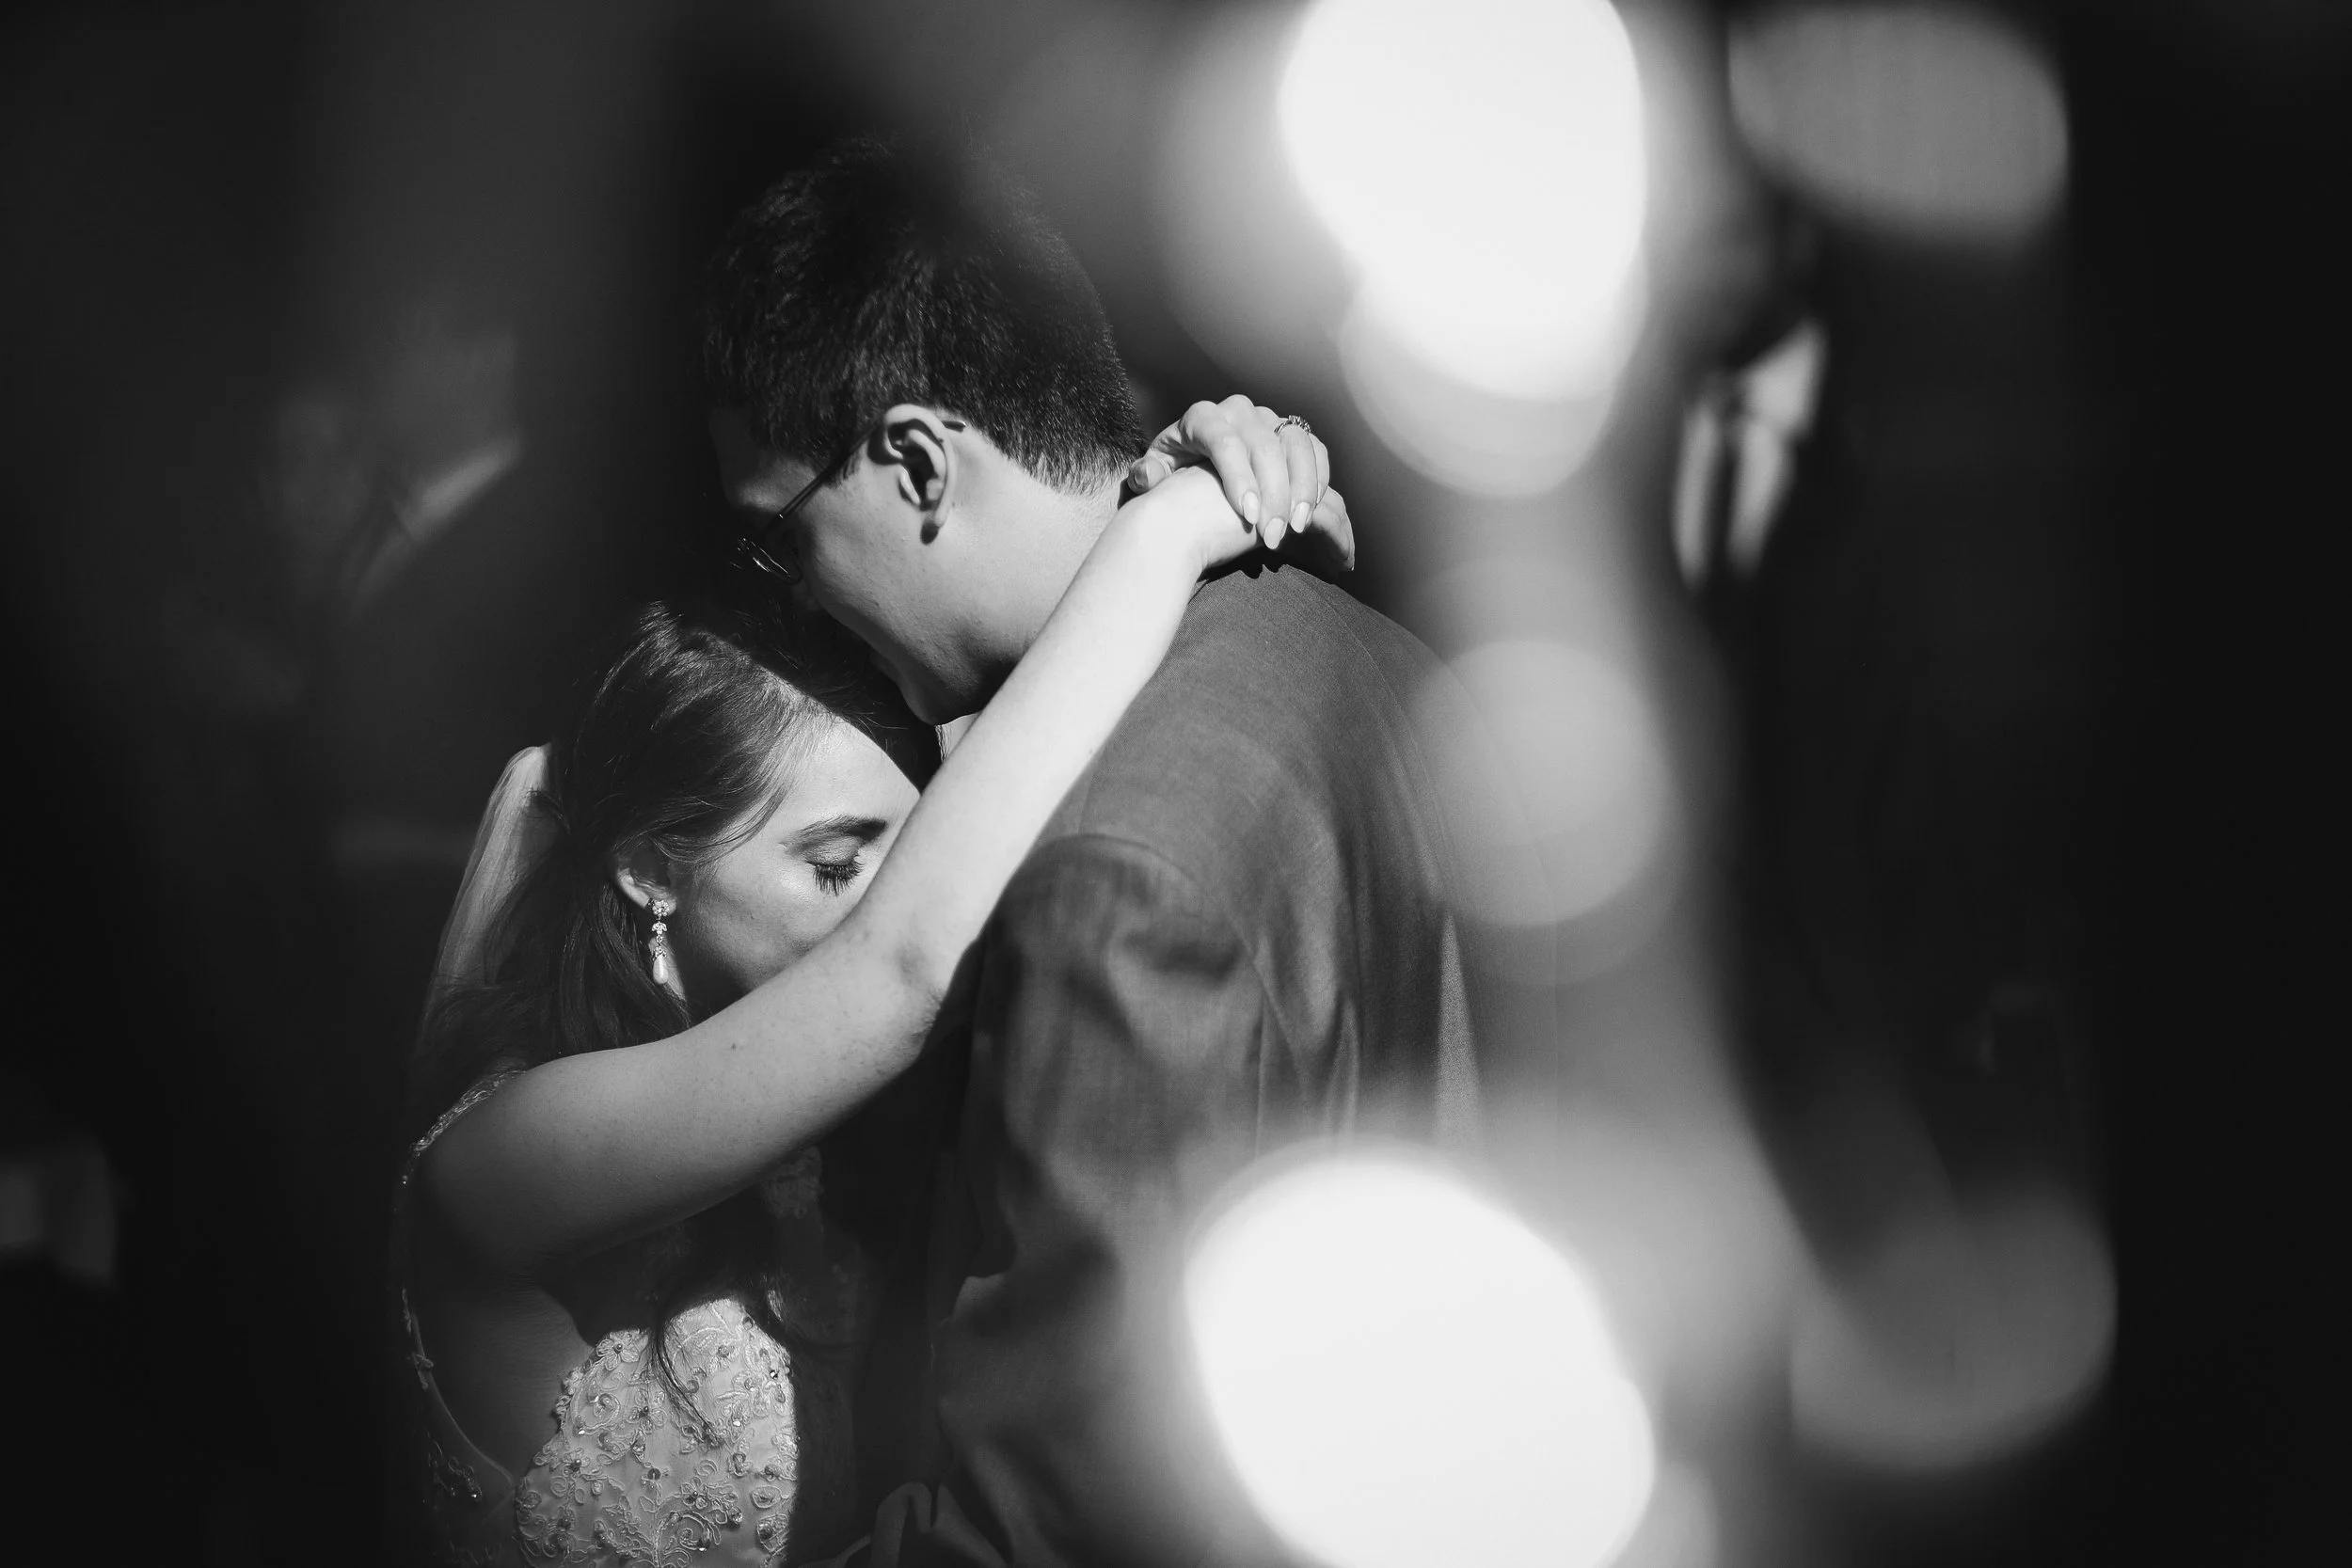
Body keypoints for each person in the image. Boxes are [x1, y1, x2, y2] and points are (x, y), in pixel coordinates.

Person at [399, 382, 1349, 1563]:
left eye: (915, 846)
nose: (894, 897)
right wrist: (1163, 529)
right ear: (650, 868)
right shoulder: (501, 1158)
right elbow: (900, 963)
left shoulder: (817, 1145)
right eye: (839, 863)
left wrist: (1168, 475)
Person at [704, 139, 1487, 1568]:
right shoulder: (1362, 640)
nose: (797, 607)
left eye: (781, 544)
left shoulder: (1110, 883)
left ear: (917, 463)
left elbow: (1052, 1525)